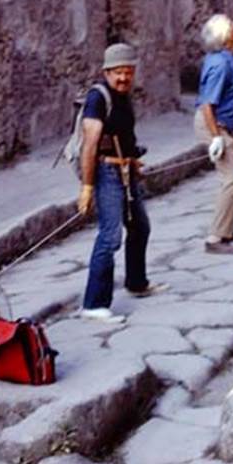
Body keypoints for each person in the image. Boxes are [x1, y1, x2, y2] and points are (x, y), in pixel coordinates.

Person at [76, 43, 168, 323]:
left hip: (125, 170)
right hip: (105, 174)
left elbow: (125, 135)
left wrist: (133, 160)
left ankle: (136, 283)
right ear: (106, 72)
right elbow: (90, 146)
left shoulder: (124, 96)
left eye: (128, 72)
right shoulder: (97, 98)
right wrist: (88, 187)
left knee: (140, 226)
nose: (124, 78)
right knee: (110, 236)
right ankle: (93, 304)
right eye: (118, 72)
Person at [194, 14, 233, 255]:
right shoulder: (220, 64)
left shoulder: (221, 59)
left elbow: (221, 94)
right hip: (213, 124)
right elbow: (208, 104)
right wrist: (216, 136)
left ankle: (228, 230)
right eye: (232, 27)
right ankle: (215, 237)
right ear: (226, 36)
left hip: (221, 123)